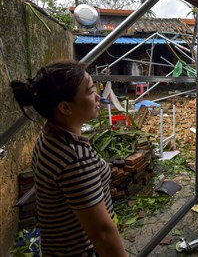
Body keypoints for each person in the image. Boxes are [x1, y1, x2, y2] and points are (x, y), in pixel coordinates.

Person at [10, 60, 127, 257]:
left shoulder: (49, 134)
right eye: (90, 92)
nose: (98, 96)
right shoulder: (74, 159)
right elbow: (102, 234)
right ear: (65, 108)